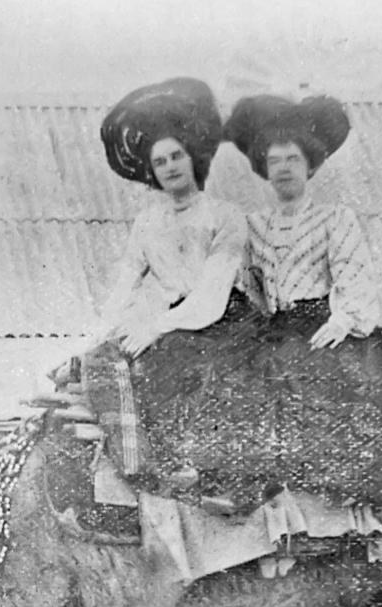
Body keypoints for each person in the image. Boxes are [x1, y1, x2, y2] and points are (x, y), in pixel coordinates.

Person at [141, 91, 382, 514]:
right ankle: (241, 494)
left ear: (310, 167)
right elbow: (240, 284)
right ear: (264, 169)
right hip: (273, 327)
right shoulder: (252, 226)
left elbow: (354, 275)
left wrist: (343, 321)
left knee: (328, 396)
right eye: (276, 161)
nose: (284, 169)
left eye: (293, 160)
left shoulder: (334, 219)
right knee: (230, 384)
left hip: (323, 326)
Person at [70, 77, 250, 483]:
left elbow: (210, 296)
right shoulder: (148, 223)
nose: (170, 167)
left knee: (167, 364)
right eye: (160, 162)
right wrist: (101, 332)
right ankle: (134, 465)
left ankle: (181, 469)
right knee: (102, 360)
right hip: (163, 317)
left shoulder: (225, 217)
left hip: (216, 322)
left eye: (176, 156)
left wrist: (156, 327)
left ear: (194, 158)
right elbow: (125, 284)